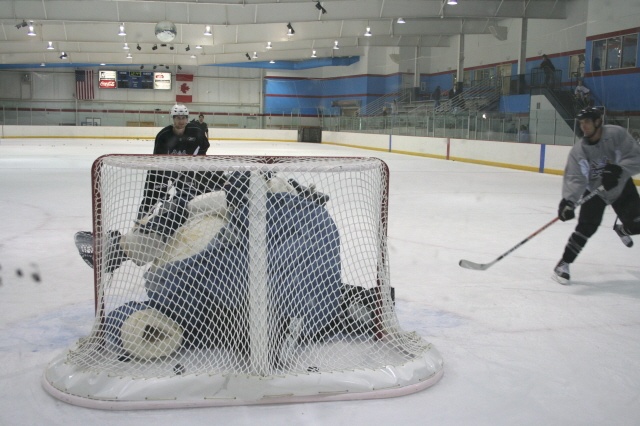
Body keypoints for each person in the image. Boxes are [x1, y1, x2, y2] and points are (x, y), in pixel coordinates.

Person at [553, 107, 640, 284]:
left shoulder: (616, 134)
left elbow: (635, 157)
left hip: (621, 186)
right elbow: (575, 178)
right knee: (586, 228)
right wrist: (568, 201)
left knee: (638, 224)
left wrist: (619, 170)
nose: (583, 126)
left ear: (598, 121)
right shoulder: (579, 150)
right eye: (581, 122)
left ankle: (623, 229)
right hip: (595, 192)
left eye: (587, 121)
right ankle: (563, 264)